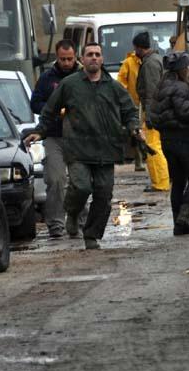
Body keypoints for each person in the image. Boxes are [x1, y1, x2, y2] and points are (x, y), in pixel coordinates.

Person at [25, 42, 141, 250]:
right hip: (77, 147)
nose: (94, 57)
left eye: (97, 54)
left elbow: (130, 111)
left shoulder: (113, 87)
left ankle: (91, 234)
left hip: (105, 148)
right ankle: (72, 212)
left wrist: (134, 128)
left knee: (103, 194)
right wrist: (40, 131)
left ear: (102, 59)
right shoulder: (70, 85)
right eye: (89, 54)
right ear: (83, 59)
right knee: (81, 186)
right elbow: (50, 110)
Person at [148, 51, 189, 236]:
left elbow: (154, 115)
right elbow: (185, 113)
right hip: (183, 138)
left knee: (178, 180)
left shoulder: (161, 85)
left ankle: (178, 225)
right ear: (181, 69)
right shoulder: (181, 87)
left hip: (166, 139)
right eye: (187, 66)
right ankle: (184, 216)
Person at [29, 39, 78, 238]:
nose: (66, 63)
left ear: (75, 57)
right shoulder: (46, 78)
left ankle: (78, 220)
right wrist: (54, 109)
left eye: (70, 59)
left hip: (78, 138)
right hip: (53, 136)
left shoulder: (83, 76)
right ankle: (56, 223)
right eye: (62, 59)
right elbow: (35, 104)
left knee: (80, 183)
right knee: (56, 181)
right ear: (57, 57)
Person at [133, 32, 170, 192]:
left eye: (135, 48)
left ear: (140, 48)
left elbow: (151, 92)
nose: (134, 52)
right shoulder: (154, 59)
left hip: (154, 113)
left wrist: (149, 116)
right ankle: (161, 181)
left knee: (152, 147)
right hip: (157, 111)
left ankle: (160, 183)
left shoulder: (149, 64)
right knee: (155, 146)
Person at [116, 49, 146, 171]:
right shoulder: (128, 63)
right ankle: (139, 160)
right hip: (134, 104)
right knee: (136, 132)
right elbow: (121, 82)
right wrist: (125, 98)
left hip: (147, 103)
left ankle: (146, 157)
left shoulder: (149, 62)